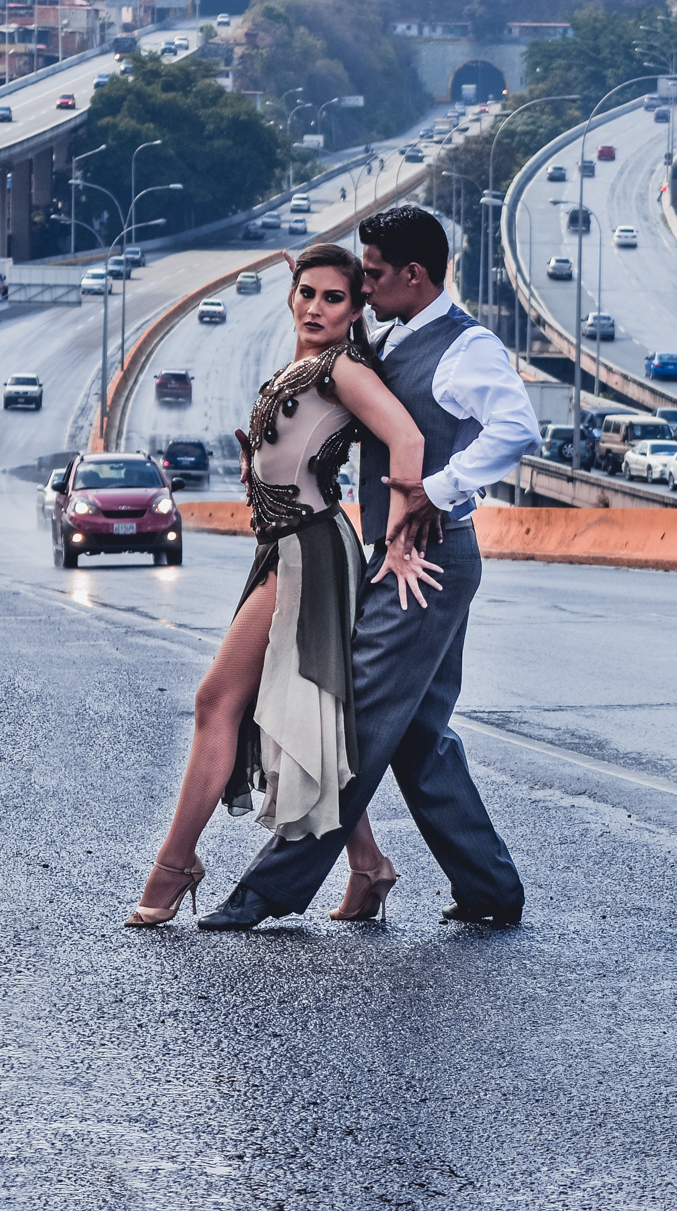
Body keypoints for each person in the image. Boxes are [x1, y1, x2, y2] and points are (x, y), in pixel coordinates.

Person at [200, 203, 542, 931]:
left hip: (422, 559)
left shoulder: (464, 347)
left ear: (413, 275)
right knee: (419, 736)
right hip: (413, 555)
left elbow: (518, 426)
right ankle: (491, 888)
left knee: (350, 717)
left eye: (376, 275)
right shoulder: (391, 338)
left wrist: (438, 488)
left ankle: (268, 887)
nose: (365, 284)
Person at [124, 243, 442, 927]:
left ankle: (176, 861)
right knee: (292, 712)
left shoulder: (343, 368)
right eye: (307, 291)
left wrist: (401, 533)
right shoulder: (303, 366)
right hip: (282, 546)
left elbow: (408, 438)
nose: (316, 306)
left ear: (356, 308)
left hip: (310, 550)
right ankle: (367, 865)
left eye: (335, 297)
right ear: (291, 294)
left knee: (217, 700)